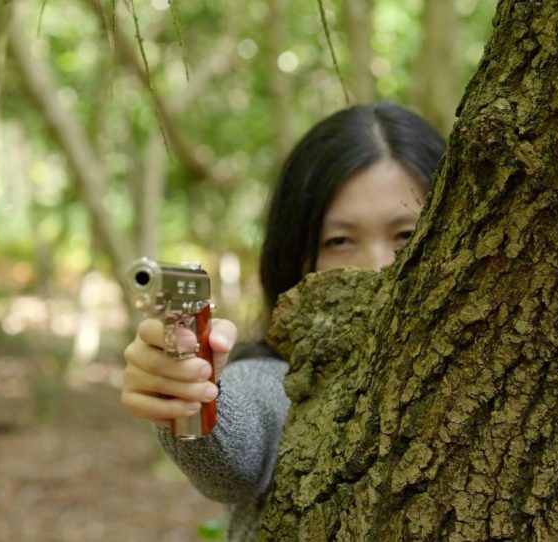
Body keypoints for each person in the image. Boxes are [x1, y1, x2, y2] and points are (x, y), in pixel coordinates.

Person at [120, 103, 446, 540]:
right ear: (296, 256)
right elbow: (234, 463)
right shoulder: (281, 380)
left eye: (406, 234)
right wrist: (194, 395)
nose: (377, 266)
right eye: (340, 240)